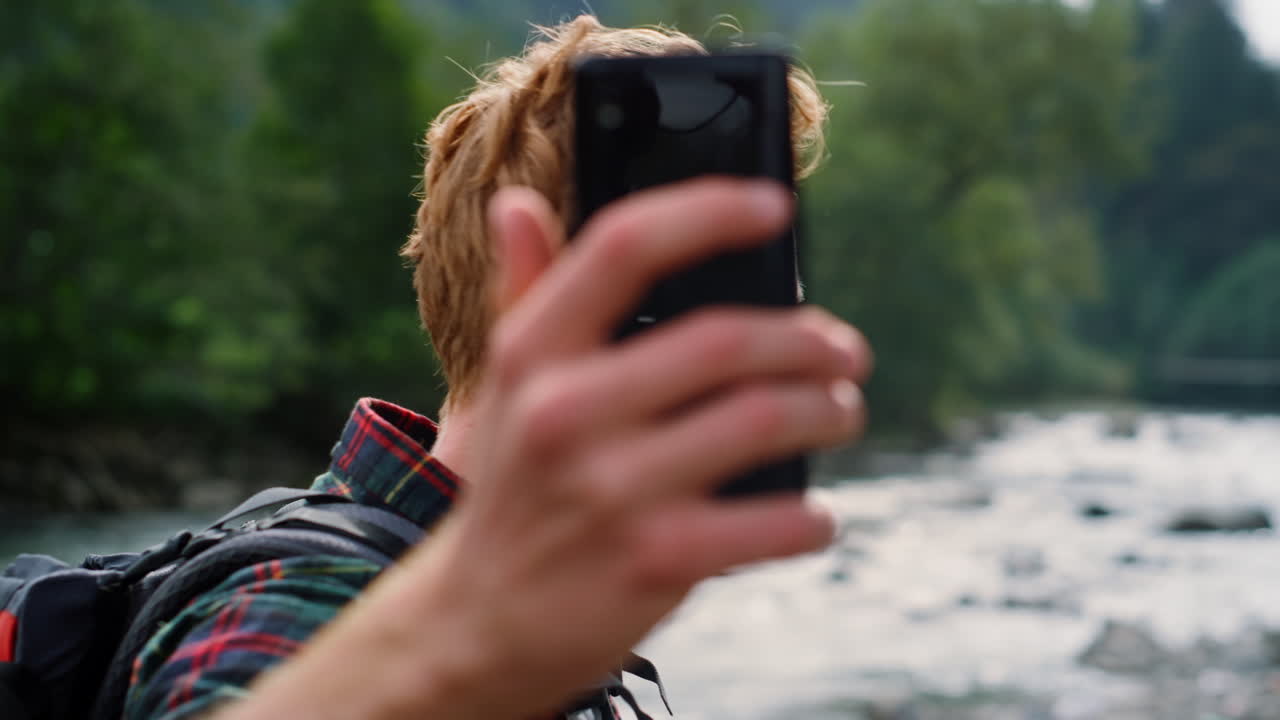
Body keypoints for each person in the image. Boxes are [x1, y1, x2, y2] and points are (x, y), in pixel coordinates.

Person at [125, 15, 873, 720]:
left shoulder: (524, 617)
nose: (784, 324)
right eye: (748, 285)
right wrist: (474, 634)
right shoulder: (304, 596)